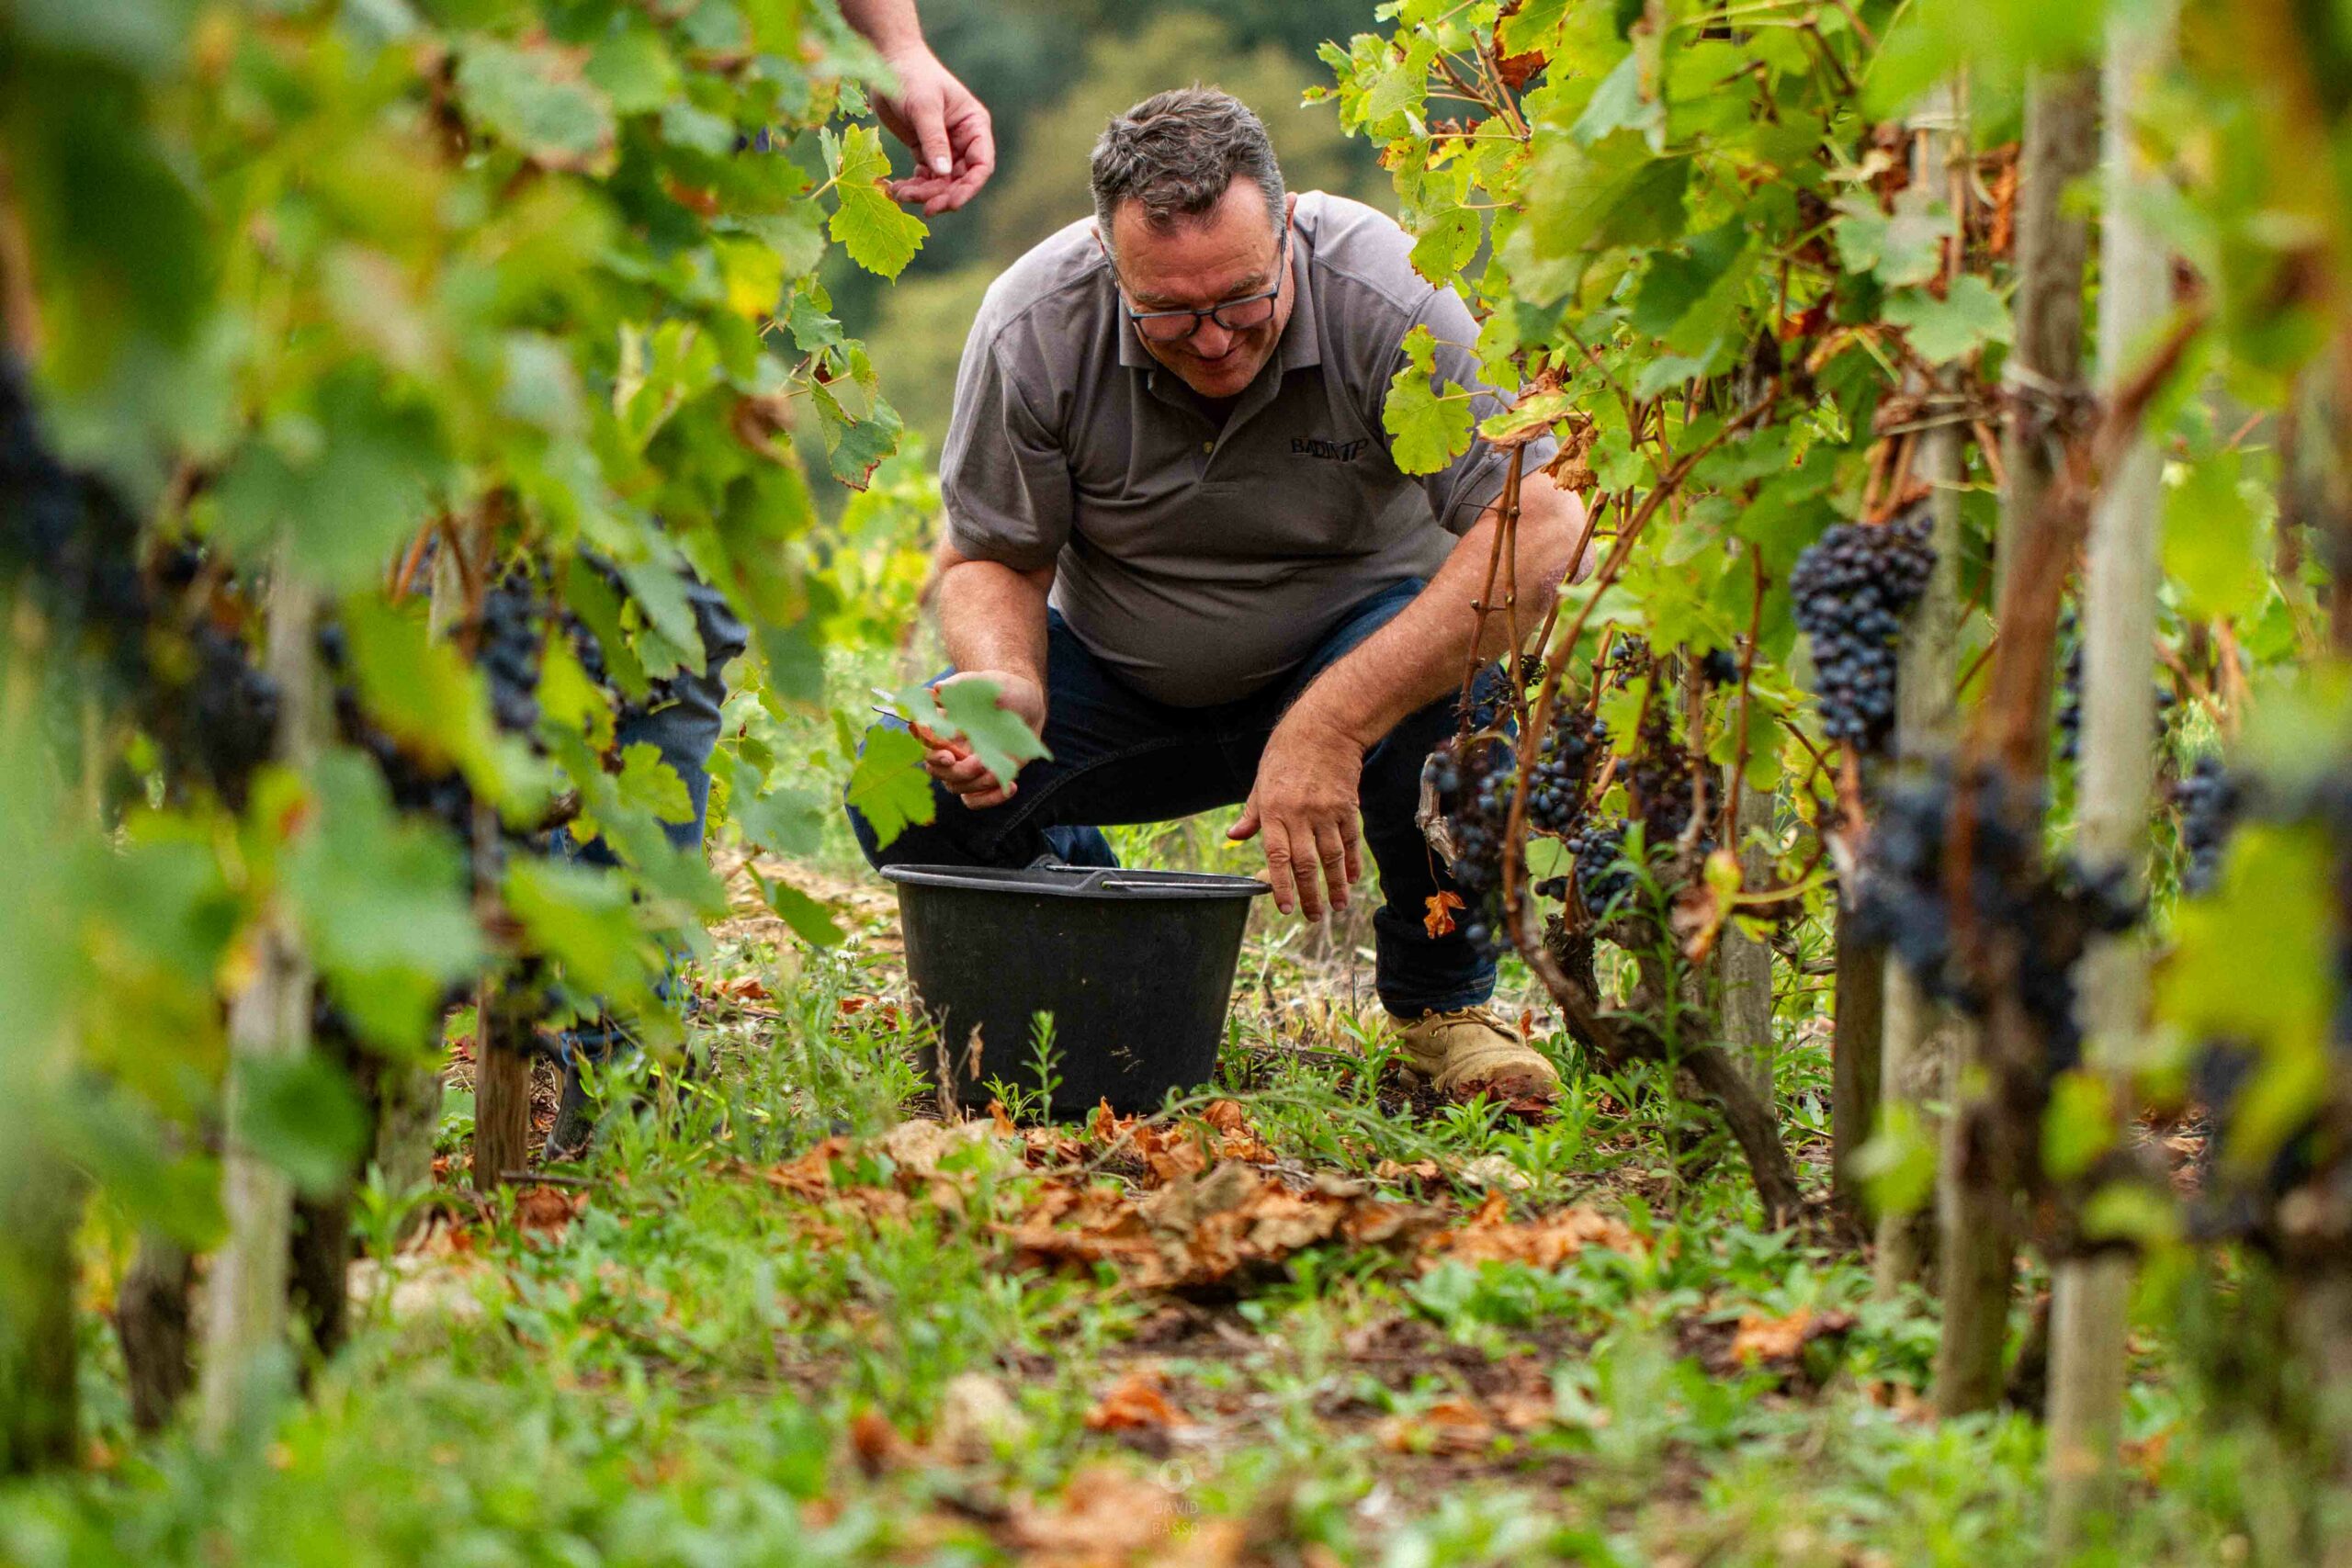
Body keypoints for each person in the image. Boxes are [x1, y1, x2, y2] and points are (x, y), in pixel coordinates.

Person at [848, 88, 1589, 1102]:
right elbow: (994, 555)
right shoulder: (1032, 321)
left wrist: (1329, 725)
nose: (1210, 341)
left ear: (1287, 229)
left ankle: (1445, 1010)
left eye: (1241, 300)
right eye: (1168, 314)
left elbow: (1538, 524)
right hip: (1120, 678)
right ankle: (1075, 948)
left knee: (1461, 707)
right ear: (1111, 268)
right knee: (900, 773)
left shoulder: (1388, 291)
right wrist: (1005, 681)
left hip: (1358, 667)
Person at [546, 1, 994, 1157]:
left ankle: (621, 1072)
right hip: (443, 122)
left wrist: (892, 43)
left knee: (664, 627)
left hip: (696, 135)